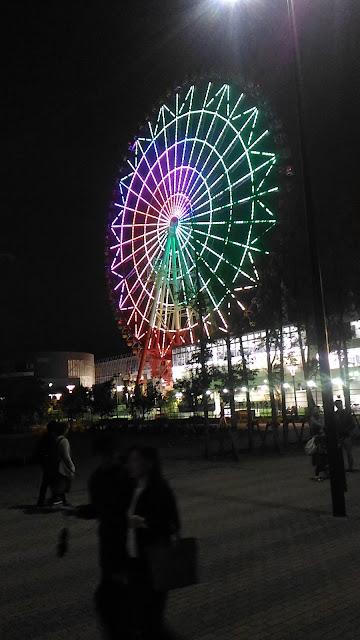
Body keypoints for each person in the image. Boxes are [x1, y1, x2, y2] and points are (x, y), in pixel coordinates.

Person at [125, 445, 181, 640]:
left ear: (148, 464)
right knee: (142, 620)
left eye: (135, 460)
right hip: (135, 561)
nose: (130, 465)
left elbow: (172, 524)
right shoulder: (134, 488)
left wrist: (144, 522)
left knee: (152, 623)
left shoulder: (160, 489)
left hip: (154, 562)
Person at [90, 433, 133, 639]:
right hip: (110, 544)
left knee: (109, 598)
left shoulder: (123, 477)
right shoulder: (100, 478)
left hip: (122, 545)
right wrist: (79, 511)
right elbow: (100, 509)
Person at [49, 423, 76, 506]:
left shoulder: (55, 439)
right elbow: (66, 455)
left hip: (55, 464)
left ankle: (62, 500)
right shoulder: (64, 441)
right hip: (62, 465)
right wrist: (72, 466)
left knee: (59, 482)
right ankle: (57, 499)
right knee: (63, 482)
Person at [34, 421, 57, 507]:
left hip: (44, 462)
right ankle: (53, 498)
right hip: (49, 462)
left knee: (47, 482)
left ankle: (42, 500)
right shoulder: (51, 437)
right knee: (49, 481)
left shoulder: (44, 437)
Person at [334, 399, 357, 471]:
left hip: (344, 435)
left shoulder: (338, 414)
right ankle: (349, 467)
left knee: (347, 452)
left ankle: (348, 467)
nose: (339, 406)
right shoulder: (345, 413)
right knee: (347, 452)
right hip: (343, 435)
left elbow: (352, 424)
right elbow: (352, 424)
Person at [309, 407, 328, 480]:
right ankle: (318, 473)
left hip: (323, 438)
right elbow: (313, 429)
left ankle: (324, 471)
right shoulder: (313, 419)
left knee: (324, 456)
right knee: (319, 457)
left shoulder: (321, 418)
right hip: (318, 439)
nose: (316, 412)